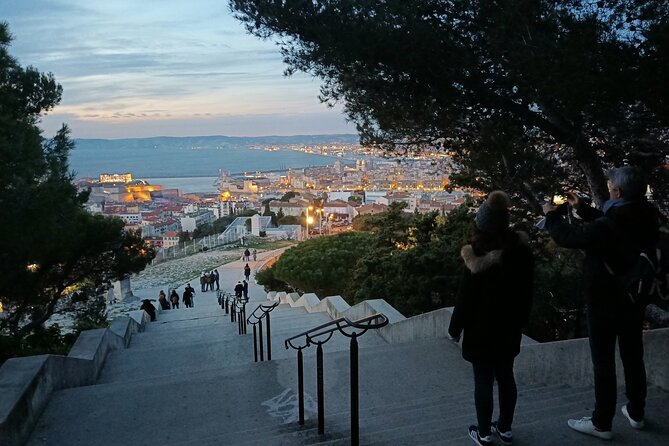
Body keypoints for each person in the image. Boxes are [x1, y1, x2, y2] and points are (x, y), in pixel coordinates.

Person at [542, 166, 661, 440]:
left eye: (610, 185)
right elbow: (616, 230)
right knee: (633, 356)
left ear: (618, 191)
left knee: (603, 361)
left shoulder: (610, 223)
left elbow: (569, 238)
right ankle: (636, 411)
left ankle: (601, 422)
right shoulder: (647, 214)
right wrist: (583, 208)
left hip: (605, 300)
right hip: (634, 297)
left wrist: (551, 216)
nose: (608, 188)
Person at [448, 191, 534, 446]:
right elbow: (527, 292)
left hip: (480, 330)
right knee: (506, 375)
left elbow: (465, 300)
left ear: (481, 225)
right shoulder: (521, 253)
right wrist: (521, 321)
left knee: (483, 379)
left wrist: (455, 330)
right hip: (509, 327)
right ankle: (505, 428)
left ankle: (484, 432)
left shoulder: (474, 257)